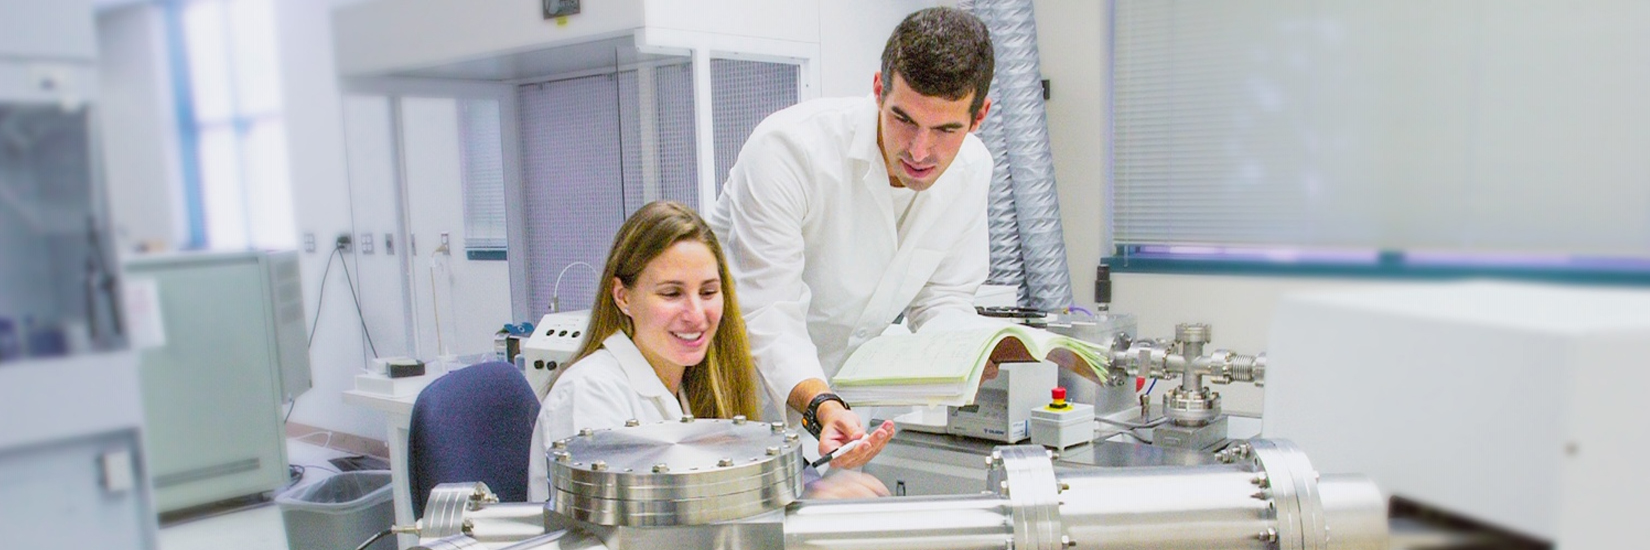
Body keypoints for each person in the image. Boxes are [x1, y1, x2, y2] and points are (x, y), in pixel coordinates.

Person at [708, 7, 1043, 468]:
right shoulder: (789, 149)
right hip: (730, 401)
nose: (921, 151)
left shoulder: (972, 169)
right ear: (878, 90)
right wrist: (820, 404)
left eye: (946, 129)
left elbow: (942, 300)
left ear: (979, 115)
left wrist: (970, 351)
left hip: (838, 417)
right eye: (904, 119)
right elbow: (768, 313)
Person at [526, 201, 887, 502]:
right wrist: (809, 500)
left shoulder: (689, 386)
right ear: (623, 297)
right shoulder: (590, 395)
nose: (696, 315)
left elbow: (715, 500)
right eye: (671, 293)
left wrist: (814, 486)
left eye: (709, 292)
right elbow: (635, 531)